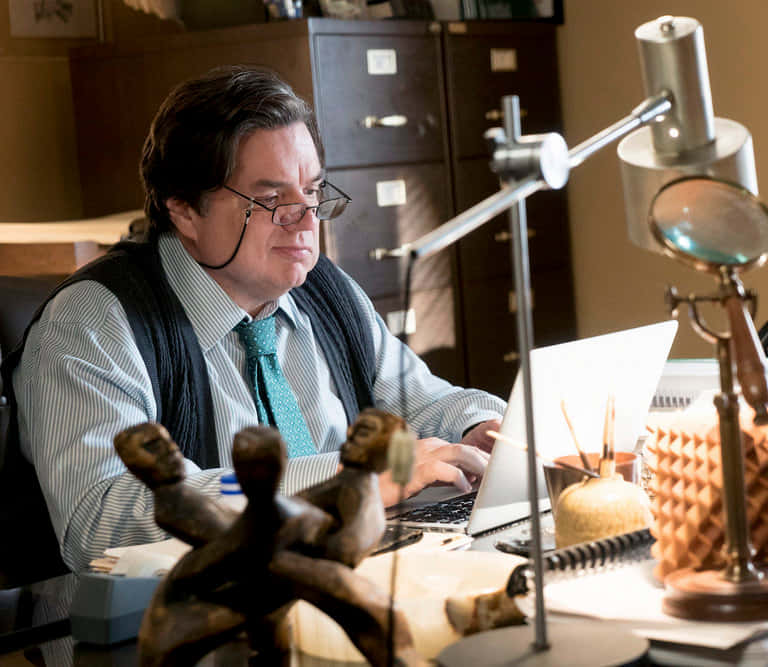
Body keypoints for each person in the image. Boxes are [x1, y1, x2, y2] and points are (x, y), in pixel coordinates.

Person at [3, 66, 505, 573]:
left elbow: (423, 401)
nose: (307, 220)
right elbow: (103, 514)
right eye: (270, 199)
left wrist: (484, 428)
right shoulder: (93, 323)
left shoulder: (324, 290)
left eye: (311, 191)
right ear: (183, 208)